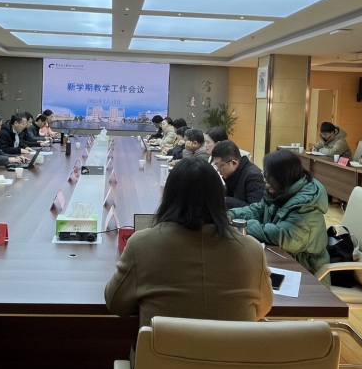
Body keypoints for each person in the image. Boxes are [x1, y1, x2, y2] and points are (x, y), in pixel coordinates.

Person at [104, 157, 272, 329]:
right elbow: (264, 308)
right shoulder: (251, 249)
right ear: (220, 198)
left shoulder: (141, 244)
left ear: (169, 196)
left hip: (163, 347)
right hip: (234, 347)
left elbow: (116, 304)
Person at [229, 149, 329, 278]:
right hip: (283, 258)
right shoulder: (280, 192)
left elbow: (284, 236)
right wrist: (231, 215)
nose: (264, 180)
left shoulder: (306, 206)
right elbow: (258, 209)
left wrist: (244, 225)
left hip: (306, 272)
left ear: (282, 177)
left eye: (267, 176)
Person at [211, 140, 265, 208]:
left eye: (219, 166)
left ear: (234, 163)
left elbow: (255, 210)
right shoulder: (232, 174)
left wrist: (226, 200)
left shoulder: (254, 177)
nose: (218, 170)